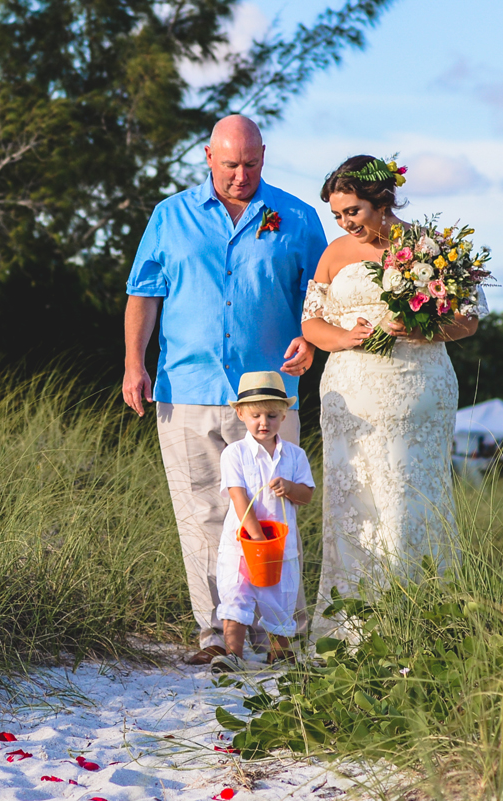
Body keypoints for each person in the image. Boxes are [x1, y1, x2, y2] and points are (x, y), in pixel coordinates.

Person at [122, 115, 328, 664]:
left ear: (265, 156)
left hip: (268, 397)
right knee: (203, 515)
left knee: (272, 514)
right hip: (186, 387)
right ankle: (216, 634)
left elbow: (321, 299)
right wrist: (132, 364)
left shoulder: (299, 218)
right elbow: (144, 294)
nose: (241, 175)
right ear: (208, 157)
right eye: (231, 164)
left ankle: (276, 630)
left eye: (252, 164)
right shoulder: (170, 217)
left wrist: (311, 342)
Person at [300, 155, 487, 639]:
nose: (345, 223)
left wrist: (425, 327)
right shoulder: (334, 253)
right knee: (353, 503)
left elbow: (469, 319)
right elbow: (311, 323)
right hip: (348, 396)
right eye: (337, 214)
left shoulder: (431, 248)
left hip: (416, 391)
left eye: (354, 211)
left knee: (407, 503)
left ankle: (415, 625)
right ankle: (350, 632)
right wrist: (346, 337)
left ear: (383, 202)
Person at [212, 372, 315, 674]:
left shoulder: (294, 456)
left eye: (272, 415)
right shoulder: (235, 453)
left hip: (281, 545)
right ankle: (234, 653)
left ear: (284, 415)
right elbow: (238, 496)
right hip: (243, 542)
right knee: (236, 593)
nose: (263, 422)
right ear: (240, 413)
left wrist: (289, 488)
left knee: (280, 596)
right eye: (255, 415)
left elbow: (306, 495)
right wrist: (257, 539)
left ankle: (279, 654)